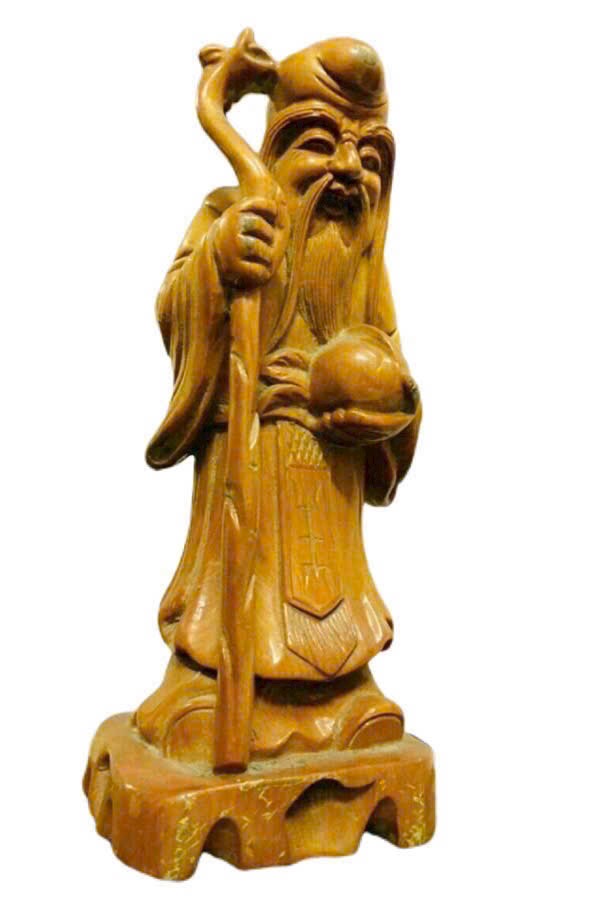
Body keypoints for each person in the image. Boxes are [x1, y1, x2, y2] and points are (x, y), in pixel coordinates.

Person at [136, 38, 422, 765]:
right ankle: (208, 685)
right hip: (248, 456)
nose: (347, 170)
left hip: (328, 484)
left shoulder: (361, 267)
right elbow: (173, 308)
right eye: (322, 145)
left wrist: (380, 401)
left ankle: (340, 694)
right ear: (275, 146)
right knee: (231, 603)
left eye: (368, 155)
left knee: (335, 613)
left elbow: (393, 368)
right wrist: (218, 263)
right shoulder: (230, 212)